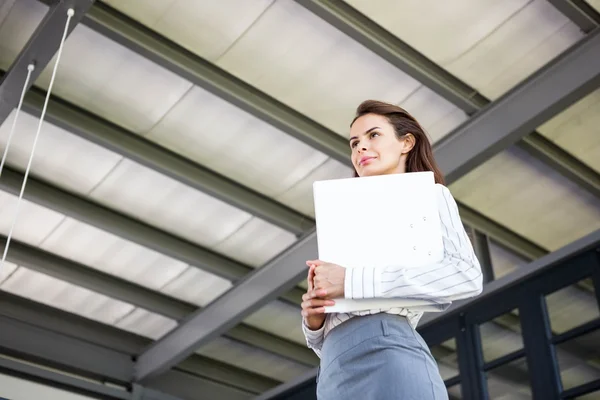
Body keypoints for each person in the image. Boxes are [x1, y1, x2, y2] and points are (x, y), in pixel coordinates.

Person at [301, 100, 483, 399]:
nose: (360, 147)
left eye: (373, 135)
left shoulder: (429, 196)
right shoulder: (343, 216)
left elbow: (466, 275)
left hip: (386, 348)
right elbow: (325, 338)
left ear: (406, 143)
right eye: (354, 142)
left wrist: (350, 281)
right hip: (333, 368)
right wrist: (314, 320)